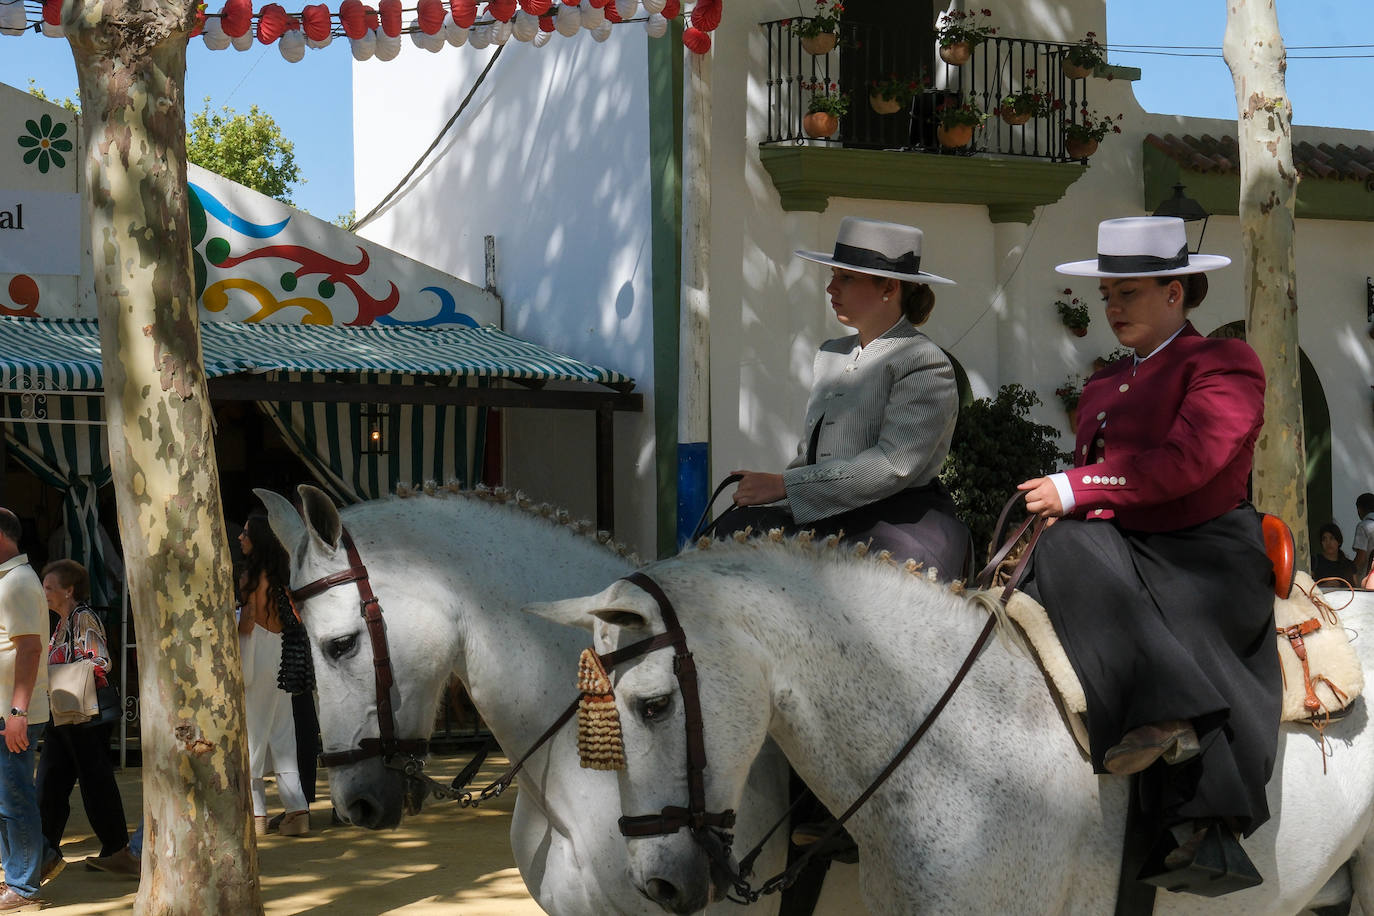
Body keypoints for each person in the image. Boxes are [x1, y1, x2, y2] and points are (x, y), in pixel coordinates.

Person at [1016, 216, 1278, 892]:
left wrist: (1075, 488)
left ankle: (1199, 793)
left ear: (1175, 293)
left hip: (1203, 550)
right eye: (1107, 295)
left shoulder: (1223, 363)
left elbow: (1189, 463)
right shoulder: (1103, 383)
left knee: (1069, 540)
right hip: (1111, 548)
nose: (1112, 308)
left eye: (1127, 294)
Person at [724, 216, 972, 581]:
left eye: (846, 278)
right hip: (824, 511)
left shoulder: (924, 361)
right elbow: (813, 450)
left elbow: (893, 465)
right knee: (730, 538)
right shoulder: (832, 353)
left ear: (888, 288)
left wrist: (785, 486)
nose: (830, 288)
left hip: (895, 520)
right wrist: (779, 487)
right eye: (834, 276)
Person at [36, 560, 132, 880]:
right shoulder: (64, 622)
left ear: (69, 590)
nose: (44, 592)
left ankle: (116, 848)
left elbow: (100, 660)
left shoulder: (82, 618)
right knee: (53, 782)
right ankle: (46, 850)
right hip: (67, 715)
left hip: (82, 715)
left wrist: (61, 674)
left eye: (50, 587)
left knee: (92, 782)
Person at [237, 515, 311, 837]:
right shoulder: (282, 574)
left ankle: (256, 814)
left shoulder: (252, 574)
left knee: (251, 733)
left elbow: (248, 622)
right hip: (281, 650)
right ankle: (297, 810)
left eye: (245, 532)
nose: (240, 537)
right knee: (283, 735)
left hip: (257, 651)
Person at [0, 508, 51, 910]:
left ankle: (23, 886)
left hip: (13, 713)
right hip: (8, 711)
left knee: (14, 798)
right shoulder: (10, 579)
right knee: (6, 797)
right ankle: (37, 860)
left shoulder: (17, 581)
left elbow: (30, 648)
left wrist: (17, 713)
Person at [1353, 493, 1374, 581]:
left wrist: (1350, 572)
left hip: (1368, 578)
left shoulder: (1363, 526)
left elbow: (1361, 559)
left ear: (1359, 509)